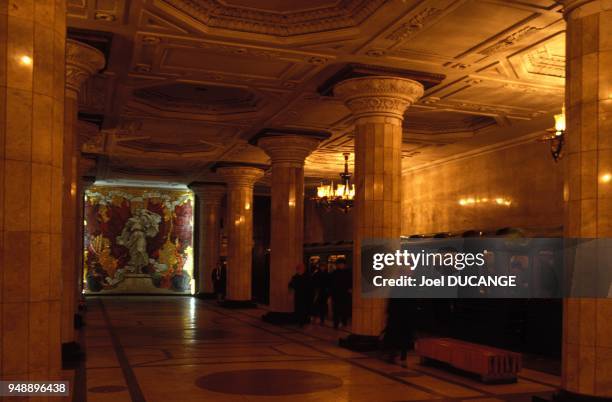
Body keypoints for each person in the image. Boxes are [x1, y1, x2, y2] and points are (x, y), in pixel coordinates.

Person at [330, 257, 351, 329]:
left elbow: (351, 282)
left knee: (344, 309)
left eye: (341, 264)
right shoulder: (334, 273)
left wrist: (350, 289)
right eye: (339, 264)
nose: (340, 265)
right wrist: (332, 294)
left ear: (344, 265)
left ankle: (344, 322)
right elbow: (332, 284)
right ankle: (336, 323)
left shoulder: (348, 272)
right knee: (336, 310)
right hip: (336, 294)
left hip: (345, 294)